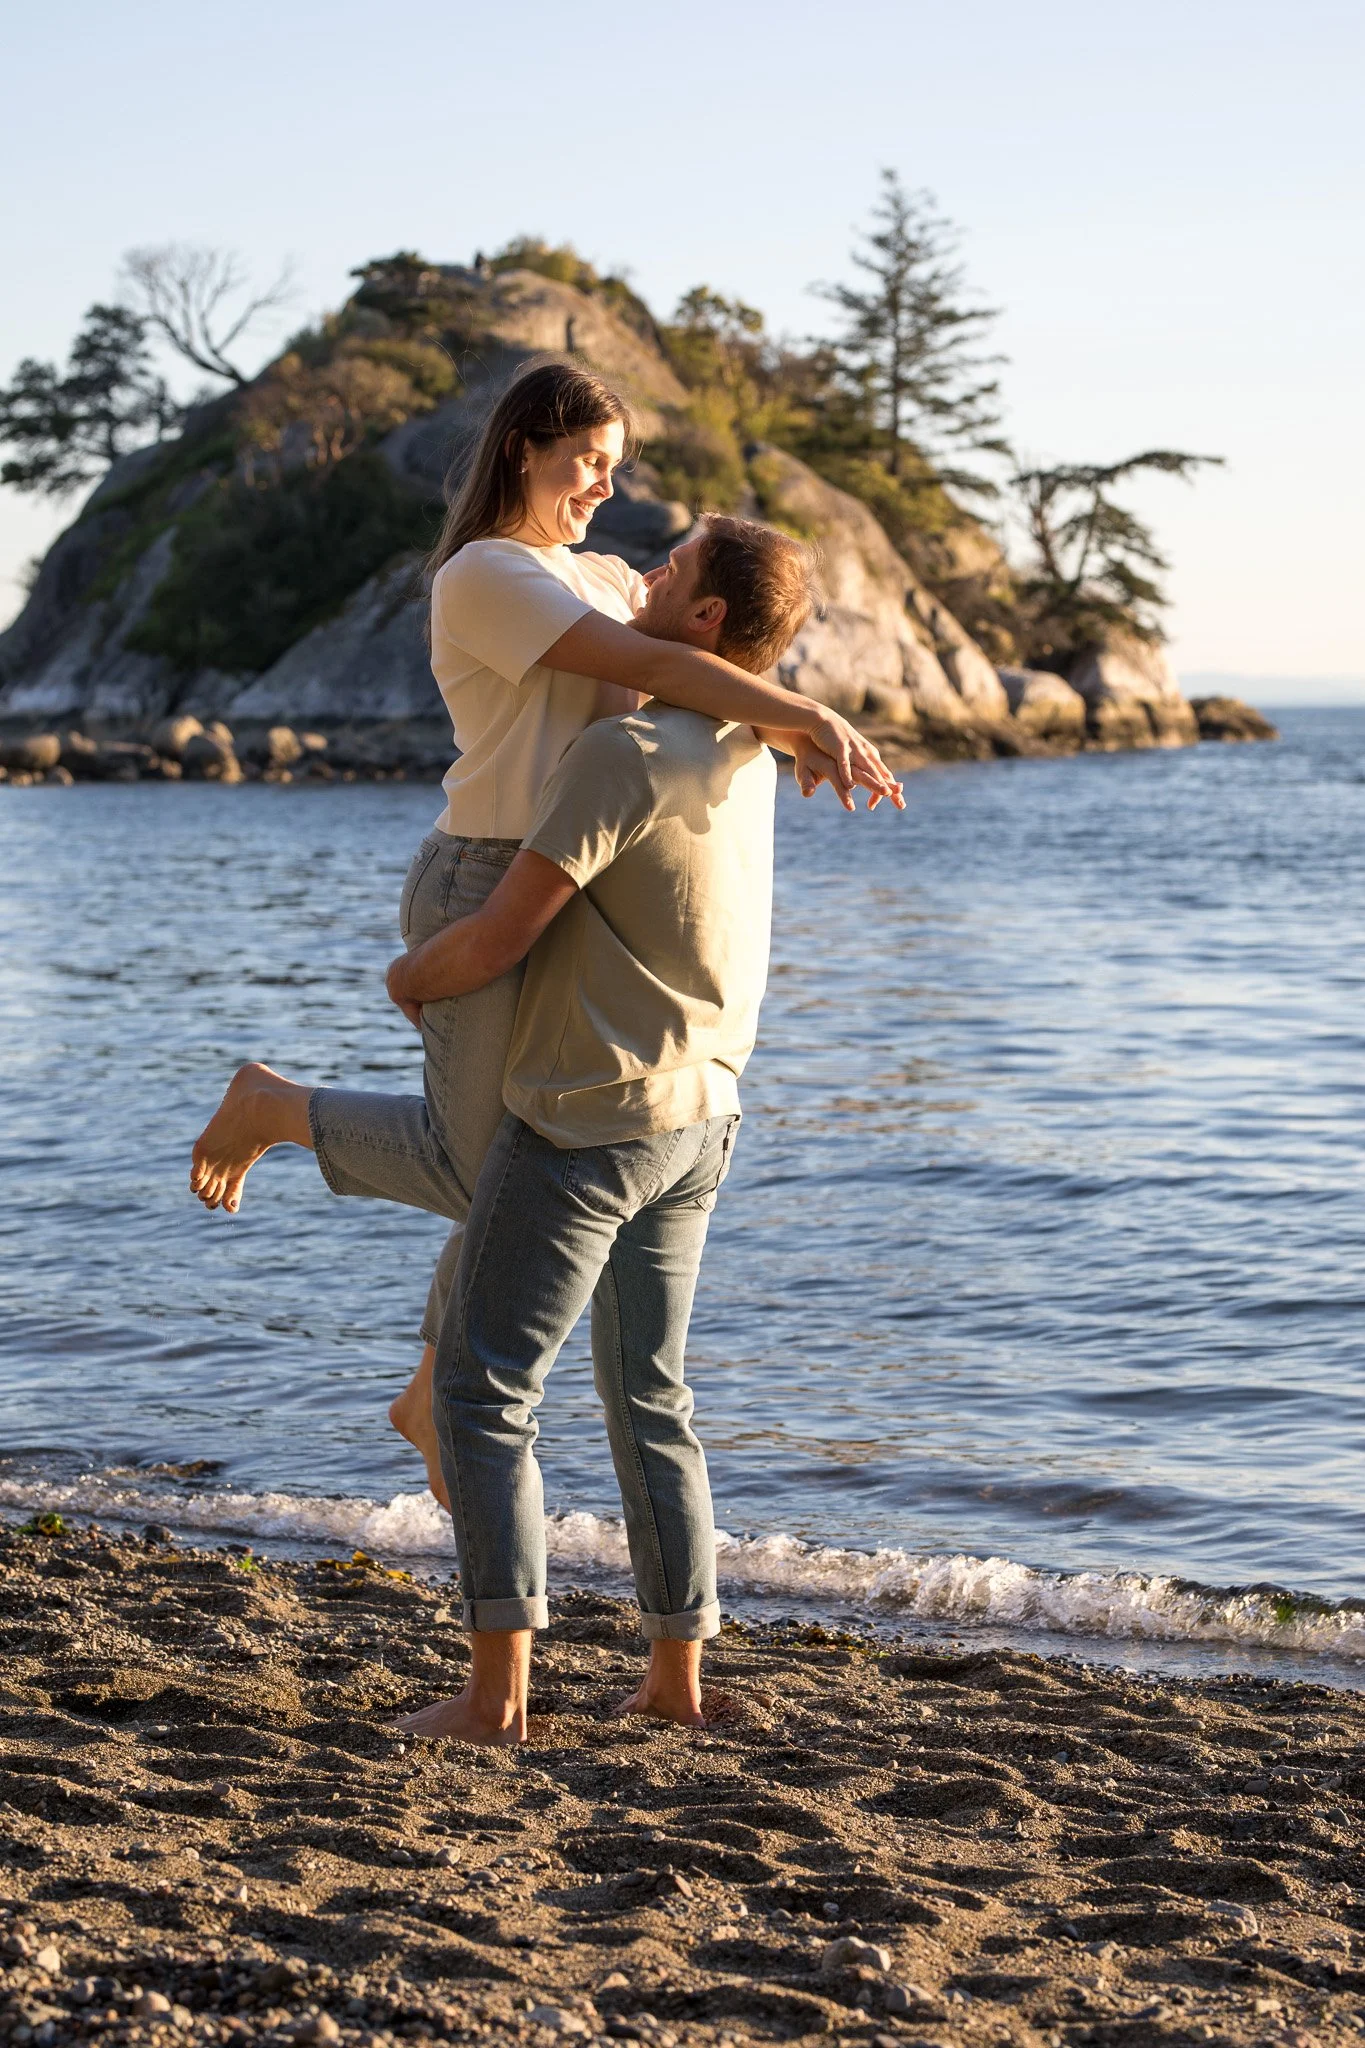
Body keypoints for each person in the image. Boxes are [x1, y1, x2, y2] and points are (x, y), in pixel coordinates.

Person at [189, 360, 900, 1496]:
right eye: (589, 463)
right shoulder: (485, 575)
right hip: (481, 881)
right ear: (525, 445)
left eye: (615, 470)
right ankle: (277, 1107)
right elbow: (652, 662)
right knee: (484, 1167)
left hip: (570, 890)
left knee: (523, 1163)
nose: (603, 490)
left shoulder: (602, 573)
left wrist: (783, 734)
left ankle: (429, 1386)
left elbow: (694, 665)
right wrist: (808, 710)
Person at [388, 524, 878, 1742]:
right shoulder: (746, 751)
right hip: (704, 1121)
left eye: (673, 570)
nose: (646, 571)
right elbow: (632, 676)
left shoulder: (619, 760)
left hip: (588, 1125)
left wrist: (410, 975)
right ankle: (674, 1683)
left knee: (483, 1388)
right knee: (652, 1399)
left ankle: (496, 1697)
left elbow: (500, 935)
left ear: (709, 622)